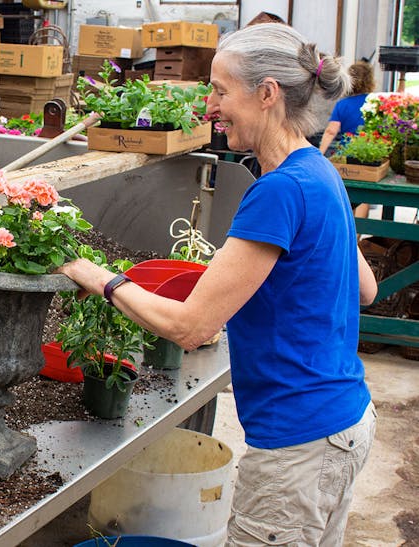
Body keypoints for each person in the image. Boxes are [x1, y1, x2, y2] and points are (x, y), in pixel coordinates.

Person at [59, 23, 378, 546]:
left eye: (221, 90)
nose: (210, 105)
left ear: (267, 94)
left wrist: (99, 278)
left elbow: (191, 326)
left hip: (298, 443)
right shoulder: (318, 170)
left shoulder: (279, 191)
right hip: (345, 423)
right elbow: (364, 289)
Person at [319, 61, 377, 219]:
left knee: (347, 196)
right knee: (365, 197)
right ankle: (358, 237)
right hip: (370, 156)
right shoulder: (374, 102)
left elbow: (331, 131)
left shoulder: (342, 104)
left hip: (345, 156)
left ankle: (350, 234)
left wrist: (319, 153)